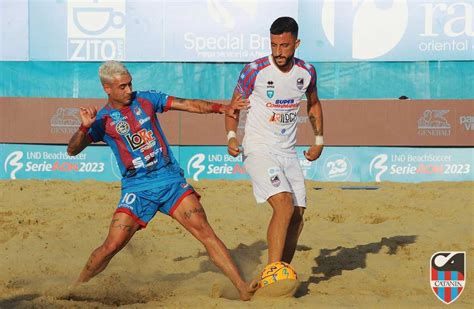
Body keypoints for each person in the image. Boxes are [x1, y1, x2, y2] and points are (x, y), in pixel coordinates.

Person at [67, 60, 256, 300]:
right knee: (111, 247)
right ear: (107, 89)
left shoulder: (145, 99)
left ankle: (242, 287)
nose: (128, 90)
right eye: (122, 87)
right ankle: (76, 288)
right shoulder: (102, 120)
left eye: (130, 84)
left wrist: (223, 108)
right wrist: (84, 128)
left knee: (205, 231)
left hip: (170, 182)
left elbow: (187, 104)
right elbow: (72, 150)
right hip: (137, 189)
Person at [225, 17, 324, 265]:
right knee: (283, 204)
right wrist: (231, 136)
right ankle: (272, 272)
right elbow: (233, 107)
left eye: (284, 46)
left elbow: (314, 104)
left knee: (297, 215)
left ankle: (281, 271)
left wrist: (319, 140)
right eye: (274, 45)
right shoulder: (254, 70)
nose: (278, 52)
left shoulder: (307, 71)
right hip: (258, 148)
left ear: (297, 43)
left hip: (288, 152)